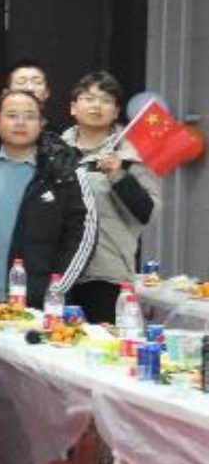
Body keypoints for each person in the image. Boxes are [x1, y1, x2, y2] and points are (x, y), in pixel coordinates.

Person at [0, 89, 95, 306]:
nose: (20, 123)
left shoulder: (63, 170)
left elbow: (84, 234)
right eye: (12, 115)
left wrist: (55, 290)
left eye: (29, 116)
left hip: (39, 304)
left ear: (41, 123)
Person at [61, 72, 161, 321]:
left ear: (116, 111)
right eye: (88, 98)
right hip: (58, 270)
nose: (96, 106)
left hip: (106, 272)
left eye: (106, 100)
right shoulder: (54, 151)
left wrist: (118, 175)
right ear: (73, 107)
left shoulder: (131, 156)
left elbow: (148, 212)